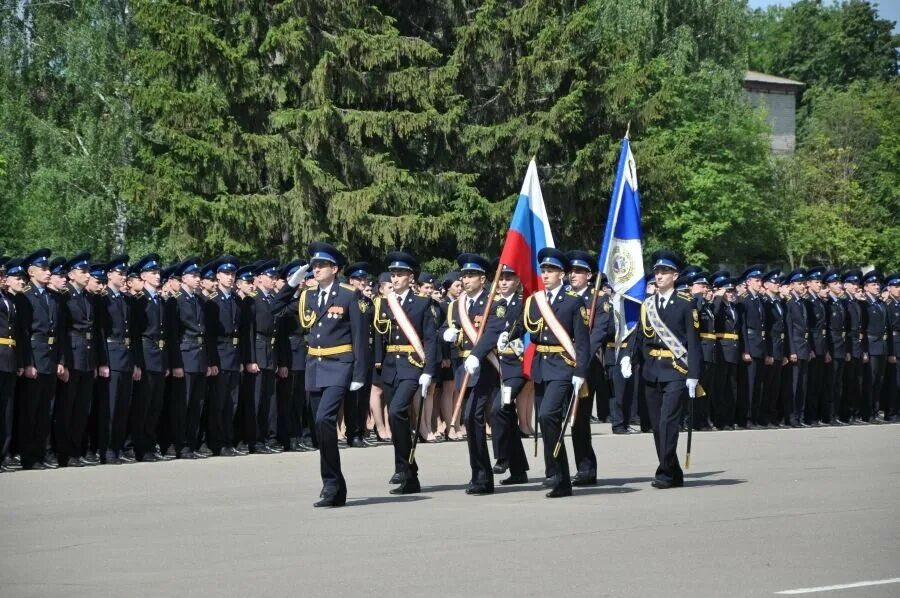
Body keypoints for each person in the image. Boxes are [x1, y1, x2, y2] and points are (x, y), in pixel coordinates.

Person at [292, 242, 368, 508]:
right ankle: (335, 485)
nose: (316, 269)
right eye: (314, 265)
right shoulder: (308, 295)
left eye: (322, 265)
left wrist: (360, 373)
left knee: (325, 419)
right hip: (315, 365)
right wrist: (292, 285)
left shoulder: (349, 295)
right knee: (319, 428)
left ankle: (331, 485)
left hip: (339, 365)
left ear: (334, 269)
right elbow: (278, 312)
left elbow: (360, 337)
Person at [623, 250, 700, 489]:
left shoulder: (686, 304)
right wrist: (628, 357)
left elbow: (693, 342)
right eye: (657, 272)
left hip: (676, 369)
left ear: (675, 276)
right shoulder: (648, 304)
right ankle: (674, 472)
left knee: (668, 422)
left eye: (664, 272)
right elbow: (638, 337)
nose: (659, 276)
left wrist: (694, 374)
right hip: (651, 370)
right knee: (657, 426)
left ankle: (664, 472)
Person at [517, 248, 590, 498]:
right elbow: (521, 325)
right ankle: (556, 474)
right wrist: (508, 334)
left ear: (562, 274)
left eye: (550, 270)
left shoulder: (572, 301)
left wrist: (580, 370)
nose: (545, 274)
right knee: (545, 421)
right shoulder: (536, 301)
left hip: (562, 365)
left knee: (549, 415)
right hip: (541, 366)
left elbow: (582, 341)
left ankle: (562, 476)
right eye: (543, 270)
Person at [372, 251, 438, 494]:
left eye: (400, 274)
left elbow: (430, 340)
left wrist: (428, 370)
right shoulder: (384, 303)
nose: (395, 277)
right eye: (393, 274)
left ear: (411, 277)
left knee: (398, 411)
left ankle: (402, 466)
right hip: (391, 366)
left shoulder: (422, 303)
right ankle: (410, 474)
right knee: (395, 416)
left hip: (412, 364)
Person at [439, 253, 504, 495]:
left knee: (472, 416)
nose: (466, 280)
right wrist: (446, 335)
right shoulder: (457, 305)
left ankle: (483, 477)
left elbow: (494, 331)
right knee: (470, 420)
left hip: (484, 366)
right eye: (464, 275)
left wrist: (478, 354)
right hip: (462, 367)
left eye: (471, 275)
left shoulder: (493, 303)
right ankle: (478, 473)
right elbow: (445, 329)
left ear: (483, 278)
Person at [14, 249, 64, 470]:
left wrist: (60, 360)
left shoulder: (52, 296)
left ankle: (40, 453)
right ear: (31, 272)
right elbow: (23, 332)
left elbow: (59, 332)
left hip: (50, 358)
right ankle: (28, 456)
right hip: (35, 355)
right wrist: (28, 362)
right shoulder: (25, 297)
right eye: (43, 269)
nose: (48, 272)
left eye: (48, 269)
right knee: (30, 411)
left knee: (45, 411)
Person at [95, 255, 140, 465]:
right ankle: (106, 449)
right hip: (112, 356)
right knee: (109, 408)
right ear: (109, 275)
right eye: (119, 273)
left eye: (124, 273)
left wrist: (136, 363)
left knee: (123, 406)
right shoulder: (103, 299)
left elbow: (133, 334)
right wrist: (103, 361)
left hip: (126, 356)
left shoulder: (126, 299)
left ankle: (118, 447)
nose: (123, 277)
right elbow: (101, 333)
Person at [563, 250, 602, 485]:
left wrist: (580, 357)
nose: (573, 275)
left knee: (579, 419)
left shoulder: (600, 300)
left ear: (589, 275)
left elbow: (597, 335)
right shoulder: (564, 298)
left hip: (586, 367)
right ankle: (556, 469)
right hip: (562, 364)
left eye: (579, 272)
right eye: (571, 271)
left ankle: (586, 468)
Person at [56, 252, 98, 468]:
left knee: (82, 408)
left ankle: (76, 449)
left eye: (88, 271)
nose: (87, 275)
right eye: (83, 271)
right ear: (72, 274)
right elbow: (62, 330)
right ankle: (64, 452)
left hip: (87, 356)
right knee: (67, 407)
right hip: (72, 355)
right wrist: (62, 360)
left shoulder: (87, 296)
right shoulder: (64, 296)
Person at [490, 262, 530, 485]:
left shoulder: (522, 303)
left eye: (509, 278)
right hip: (498, 367)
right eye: (501, 278)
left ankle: (502, 456)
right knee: (508, 416)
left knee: (500, 408)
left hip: (516, 368)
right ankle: (518, 470)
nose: (504, 282)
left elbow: (523, 327)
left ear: (517, 281)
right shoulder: (494, 304)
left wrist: (511, 334)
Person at [204, 256, 244, 457]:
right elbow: (209, 335)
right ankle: (216, 442)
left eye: (233, 274)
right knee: (218, 402)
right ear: (218, 276)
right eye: (226, 274)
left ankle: (228, 440)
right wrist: (211, 361)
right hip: (219, 355)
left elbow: (243, 333)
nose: (230, 277)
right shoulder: (213, 301)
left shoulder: (237, 300)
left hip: (234, 356)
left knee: (232, 403)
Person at [737, 265, 767, 428]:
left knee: (757, 384)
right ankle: (746, 418)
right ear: (748, 282)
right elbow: (742, 327)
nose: (759, 283)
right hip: (750, 344)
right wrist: (745, 350)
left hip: (759, 345)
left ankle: (754, 416)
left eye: (760, 280)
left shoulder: (758, 300)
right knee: (748, 384)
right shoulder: (744, 300)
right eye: (757, 280)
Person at [0, 258, 22, 472]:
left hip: (9, 357)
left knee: (6, 409)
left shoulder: (8, 299)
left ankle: (4, 453)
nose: (2, 278)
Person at [711, 273, 740, 431]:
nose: (731, 294)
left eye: (733, 291)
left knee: (731, 387)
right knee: (720, 387)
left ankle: (729, 418)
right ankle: (719, 420)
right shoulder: (719, 306)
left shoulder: (734, 307)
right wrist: (717, 298)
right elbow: (714, 317)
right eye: (728, 291)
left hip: (733, 349)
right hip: (722, 348)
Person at [861, 270, 890, 423]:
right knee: (869, 382)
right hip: (871, 346)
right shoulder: (864, 304)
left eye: (878, 284)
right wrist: (864, 350)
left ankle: (875, 410)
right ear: (866, 287)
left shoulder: (880, 304)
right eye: (873, 284)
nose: (877, 287)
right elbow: (863, 329)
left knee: (879, 381)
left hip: (882, 346)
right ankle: (867, 413)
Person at [784, 269, 812, 428]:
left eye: (803, 283)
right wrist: (792, 350)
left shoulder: (802, 302)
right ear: (792, 285)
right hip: (796, 348)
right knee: (794, 386)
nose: (803, 286)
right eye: (800, 284)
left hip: (804, 348)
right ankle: (791, 417)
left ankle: (799, 416)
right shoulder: (790, 303)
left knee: (802, 385)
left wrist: (809, 349)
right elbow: (789, 328)